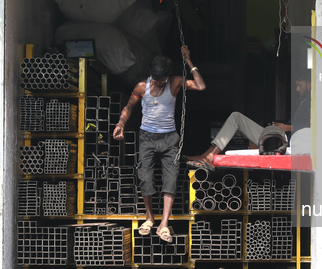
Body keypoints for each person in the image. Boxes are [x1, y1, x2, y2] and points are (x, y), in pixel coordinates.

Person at [113, 46, 205, 243]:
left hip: (169, 138)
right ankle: (149, 218)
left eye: (161, 79)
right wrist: (121, 123)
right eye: (155, 79)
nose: (157, 83)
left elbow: (200, 86)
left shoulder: (175, 82)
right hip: (147, 137)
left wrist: (189, 61)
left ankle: (164, 225)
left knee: (170, 180)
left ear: (168, 75)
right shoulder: (141, 87)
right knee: (145, 177)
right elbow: (129, 106)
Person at [184, 75, 311, 170]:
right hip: (277, 137)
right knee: (236, 117)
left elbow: (315, 127)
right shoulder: (305, 100)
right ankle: (206, 155)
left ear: (309, 84)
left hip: (280, 143)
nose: (297, 89)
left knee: (236, 117)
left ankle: (210, 157)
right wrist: (280, 125)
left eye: (299, 85)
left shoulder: (314, 100)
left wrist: (286, 127)